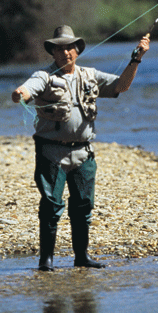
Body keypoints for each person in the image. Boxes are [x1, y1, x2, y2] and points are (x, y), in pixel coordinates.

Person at [12, 25, 150, 271]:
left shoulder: (90, 75)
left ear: (77, 51)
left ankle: (81, 257)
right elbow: (27, 89)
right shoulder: (43, 76)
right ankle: (46, 260)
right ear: (53, 53)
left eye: (69, 48)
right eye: (60, 49)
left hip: (84, 152)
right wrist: (20, 94)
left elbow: (121, 86)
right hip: (51, 152)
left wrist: (136, 58)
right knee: (52, 205)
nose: (66, 53)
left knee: (83, 205)